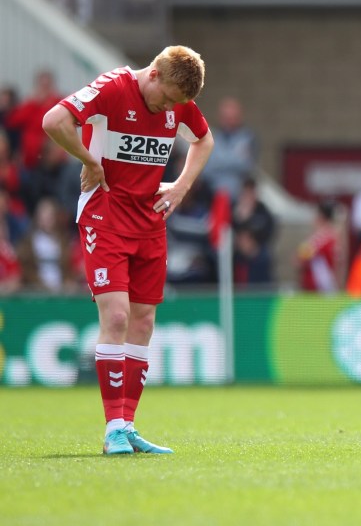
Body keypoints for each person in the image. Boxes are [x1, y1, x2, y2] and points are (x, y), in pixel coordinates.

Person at [42, 45, 213, 456]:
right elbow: (54, 121)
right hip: (106, 216)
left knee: (144, 322)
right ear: (153, 74)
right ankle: (113, 427)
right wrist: (88, 159)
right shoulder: (113, 88)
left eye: (178, 104)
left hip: (150, 221)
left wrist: (180, 186)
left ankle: (127, 425)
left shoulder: (176, 103)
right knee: (116, 316)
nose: (169, 108)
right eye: (168, 97)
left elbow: (204, 142)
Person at [201, 96, 255, 201]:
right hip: (211, 195)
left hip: (238, 197)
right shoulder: (211, 137)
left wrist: (219, 161)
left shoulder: (248, 138)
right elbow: (206, 169)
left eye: (233, 118)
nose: (230, 122)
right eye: (227, 118)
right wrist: (234, 158)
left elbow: (247, 166)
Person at [5, 70, 61, 169]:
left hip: (50, 155)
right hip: (30, 156)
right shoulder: (31, 104)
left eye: (47, 86)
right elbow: (13, 121)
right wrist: (34, 102)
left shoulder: (58, 103)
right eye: (42, 86)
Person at [297, 200, 345, 293]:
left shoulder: (320, 238)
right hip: (329, 285)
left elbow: (300, 258)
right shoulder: (334, 236)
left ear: (321, 217)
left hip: (317, 288)